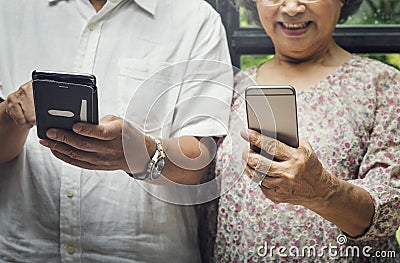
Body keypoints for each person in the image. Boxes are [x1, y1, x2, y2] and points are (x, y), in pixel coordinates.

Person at [0, 0, 233, 262]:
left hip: (143, 254)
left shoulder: (196, 18)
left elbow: (198, 160)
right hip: (22, 250)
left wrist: (138, 153)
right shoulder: (10, 9)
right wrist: (11, 116)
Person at [214, 0, 400, 262]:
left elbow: (389, 213)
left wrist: (322, 191)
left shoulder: (383, 85)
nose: (291, 8)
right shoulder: (231, 89)